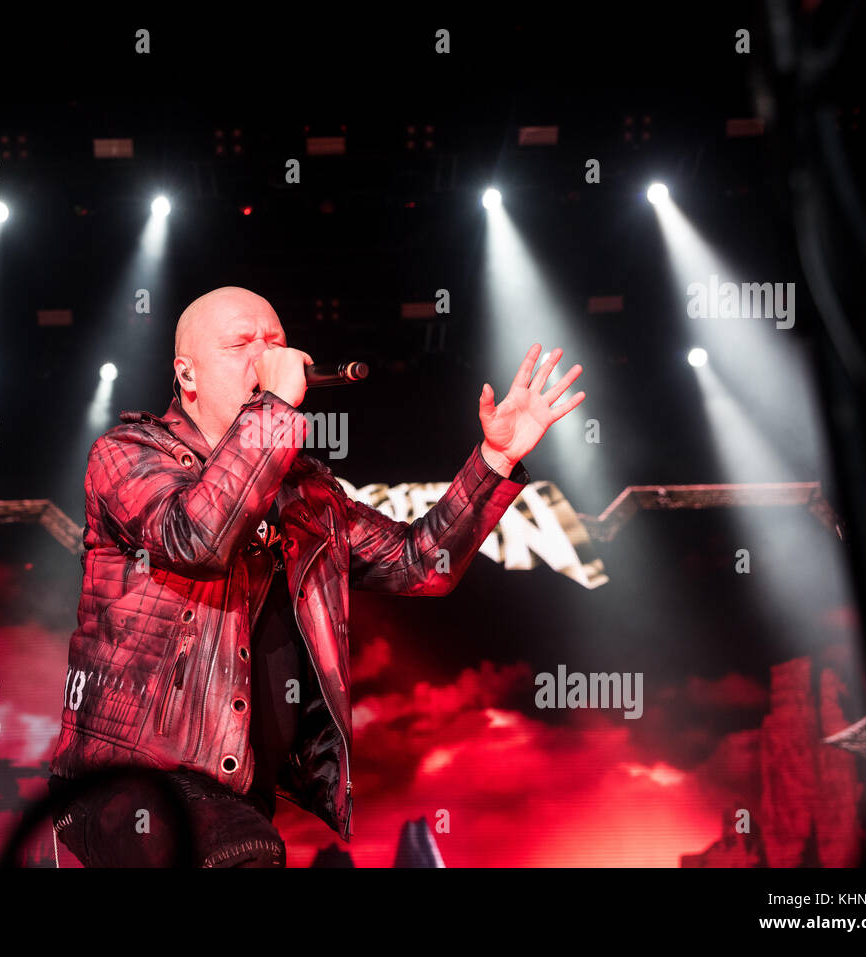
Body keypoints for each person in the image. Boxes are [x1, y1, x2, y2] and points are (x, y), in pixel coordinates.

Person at [48, 286, 584, 866]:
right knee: (242, 853)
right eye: (240, 344)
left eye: (275, 343)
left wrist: (494, 461)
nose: (264, 355)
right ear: (187, 373)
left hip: (234, 795)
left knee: (246, 845)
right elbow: (197, 537)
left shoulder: (307, 492)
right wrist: (275, 404)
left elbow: (422, 562)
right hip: (128, 781)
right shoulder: (126, 454)